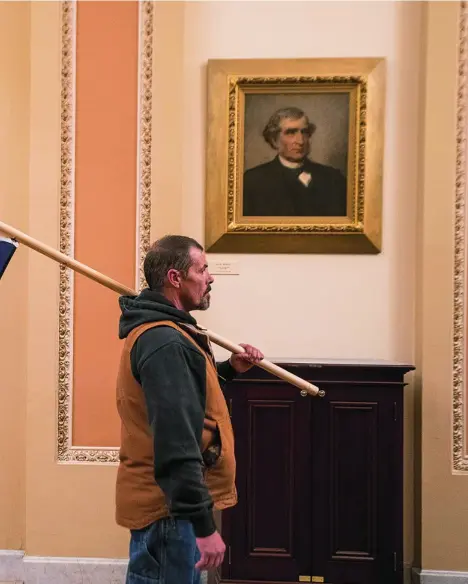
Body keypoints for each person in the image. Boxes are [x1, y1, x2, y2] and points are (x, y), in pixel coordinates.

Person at [115, 234, 264, 584]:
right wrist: (203, 525)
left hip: (171, 507)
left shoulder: (170, 334)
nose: (210, 278)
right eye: (203, 269)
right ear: (175, 278)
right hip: (170, 511)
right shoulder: (165, 341)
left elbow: (188, 403)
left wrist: (229, 369)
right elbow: (177, 439)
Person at [242, 106, 347, 217]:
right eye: (291, 133)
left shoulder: (333, 178)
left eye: (305, 132)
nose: (300, 141)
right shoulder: (252, 181)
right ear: (274, 140)